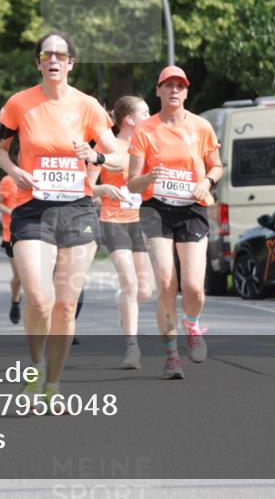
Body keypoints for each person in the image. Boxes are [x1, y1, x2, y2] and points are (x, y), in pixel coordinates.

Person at [0, 31, 124, 408]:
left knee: (66, 305)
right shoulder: (19, 104)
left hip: (77, 210)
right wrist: (15, 170)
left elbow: (120, 159)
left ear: (70, 64)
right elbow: (0, 149)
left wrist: (95, 157)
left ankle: (53, 384)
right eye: (46, 54)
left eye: (60, 55)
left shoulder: (88, 107)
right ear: (38, 63)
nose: (53, 60)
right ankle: (34, 369)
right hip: (32, 207)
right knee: (38, 296)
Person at [128, 66, 223, 380]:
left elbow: (217, 166)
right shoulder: (145, 130)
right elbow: (132, 184)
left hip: (192, 208)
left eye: (179, 86)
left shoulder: (201, 127)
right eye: (167, 85)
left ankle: (192, 324)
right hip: (156, 208)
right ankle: (171, 356)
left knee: (194, 287)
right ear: (158, 91)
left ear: (186, 92)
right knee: (167, 282)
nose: (173, 91)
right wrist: (148, 177)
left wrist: (207, 182)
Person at [92, 96, 154, 368]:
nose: (150, 116)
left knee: (144, 292)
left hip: (142, 222)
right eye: (146, 112)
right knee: (129, 283)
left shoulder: (148, 146)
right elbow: (85, 185)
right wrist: (103, 189)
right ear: (130, 119)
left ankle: (124, 303)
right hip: (113, 220)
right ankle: (132, 348)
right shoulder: (107, 146)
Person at [0, 173, 22, 324]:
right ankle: (15, 300)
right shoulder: (9, 180)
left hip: (34, 234)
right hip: (11, 235)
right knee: (19, 276)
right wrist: (12, 212)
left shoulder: (39, 176)